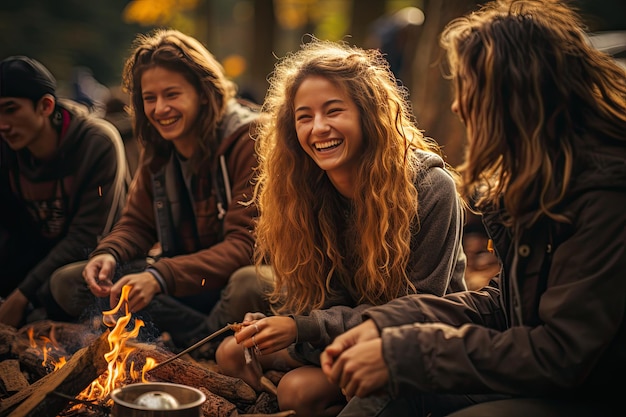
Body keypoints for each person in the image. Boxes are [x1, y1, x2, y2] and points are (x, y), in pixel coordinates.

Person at [320, 1, 626, 416]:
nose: (457, 106)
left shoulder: (606, 195)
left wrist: (407, 353)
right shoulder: (543, 182)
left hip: (590, 389)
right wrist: (387, 324)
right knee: (390, 390)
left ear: (514, 95)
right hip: (549, 374)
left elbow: (561, 354)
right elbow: (505, 306)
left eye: (467, 88)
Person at [215, 38, 467, 417]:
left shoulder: (429, 187)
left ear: (368, 113)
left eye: (334, 111)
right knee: (232, 352)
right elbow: (317, 295)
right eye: (304, 116)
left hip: (413, 343)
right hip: (340, 334)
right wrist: (276, 324)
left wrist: (302, 328)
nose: (319, 128)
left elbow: (416, 309)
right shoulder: (304, 190)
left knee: (298, 392)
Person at [49, 29, 266, 351]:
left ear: (203, 92)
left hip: (231, 286)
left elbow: (245, 246)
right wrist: (109, 253)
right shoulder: (158, 145)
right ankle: (202, 339)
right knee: (69, 283)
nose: (160, 109)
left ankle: (195, 345)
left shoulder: (248, 137)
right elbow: (137, 223)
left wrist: (159, 276)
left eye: (172, 94)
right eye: (149, 98)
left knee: (252, 283)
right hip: (183, 286)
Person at [0, 55, 128, 328]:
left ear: (45, 106)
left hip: (95, 262)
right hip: (34, 259)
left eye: (10, 109)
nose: (3, 124)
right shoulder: (6, 149)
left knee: (62, 285)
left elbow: (87, 237)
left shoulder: (97, 143)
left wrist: (21, 296)